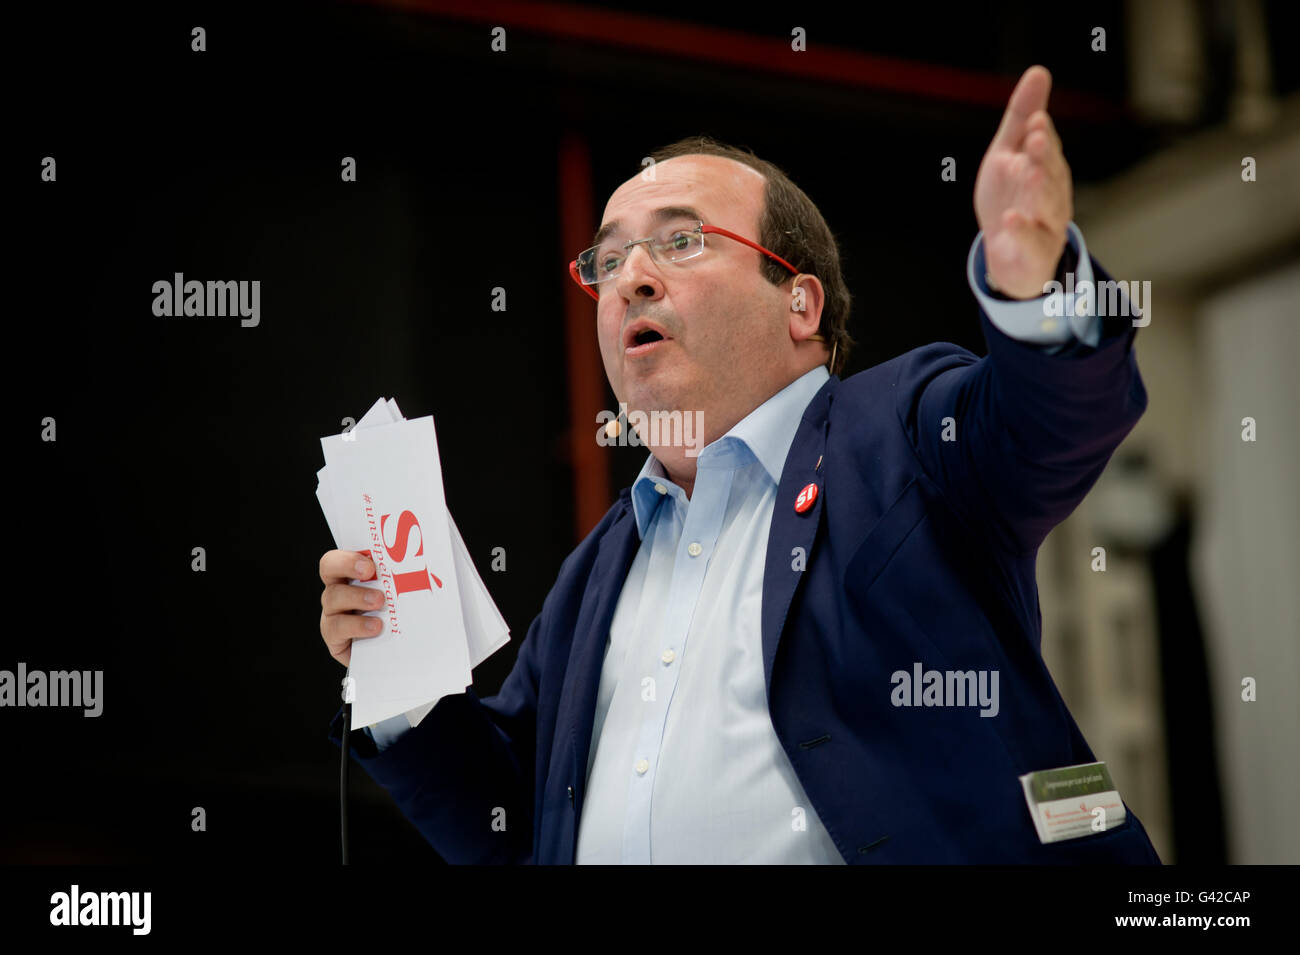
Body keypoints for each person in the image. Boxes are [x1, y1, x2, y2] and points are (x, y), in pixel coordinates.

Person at [320, 65, 1161, 864]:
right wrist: (398, 676)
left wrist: (1038, 285)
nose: (630, 280)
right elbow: (511, 824)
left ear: (800, 302)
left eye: (679, 241)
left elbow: (1057, 422)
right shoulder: (596, 572)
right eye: (607, 261)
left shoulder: (899, 435)